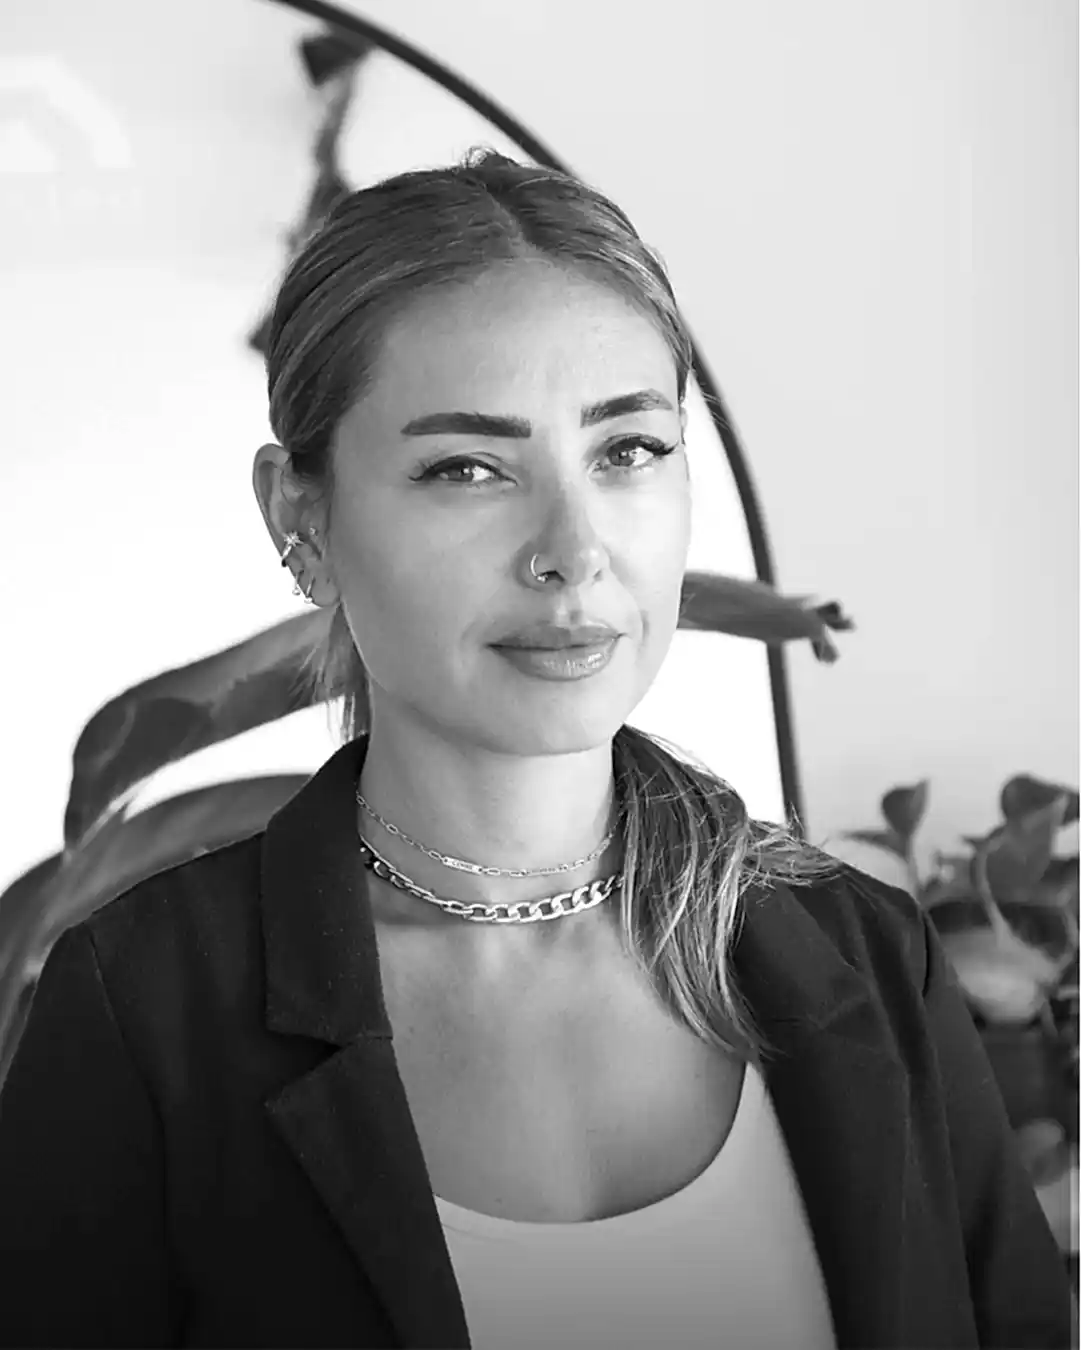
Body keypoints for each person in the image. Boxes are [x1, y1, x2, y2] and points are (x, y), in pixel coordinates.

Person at [0, 148, 1073, 1350]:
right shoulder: (145, 1015)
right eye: (466, 468)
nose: (573, 550)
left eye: (628, 451)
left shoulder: (870, 956)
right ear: (299, 515)